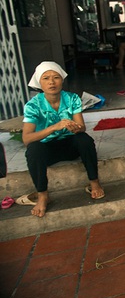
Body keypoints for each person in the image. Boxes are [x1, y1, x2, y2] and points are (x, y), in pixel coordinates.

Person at [19, 61, 105, 218]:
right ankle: (43, 195)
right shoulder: (32, 105)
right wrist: (54, 127)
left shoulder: (72, 98)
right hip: (47, 150)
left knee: (84, 139)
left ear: (62, 80)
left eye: (55, 77)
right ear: (39, 82)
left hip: (69, 147)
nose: (51, 82)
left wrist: (74, 127)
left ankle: (94, 182)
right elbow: (26, 138)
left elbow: (82, 127)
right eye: (46, 78)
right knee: (33, 149)